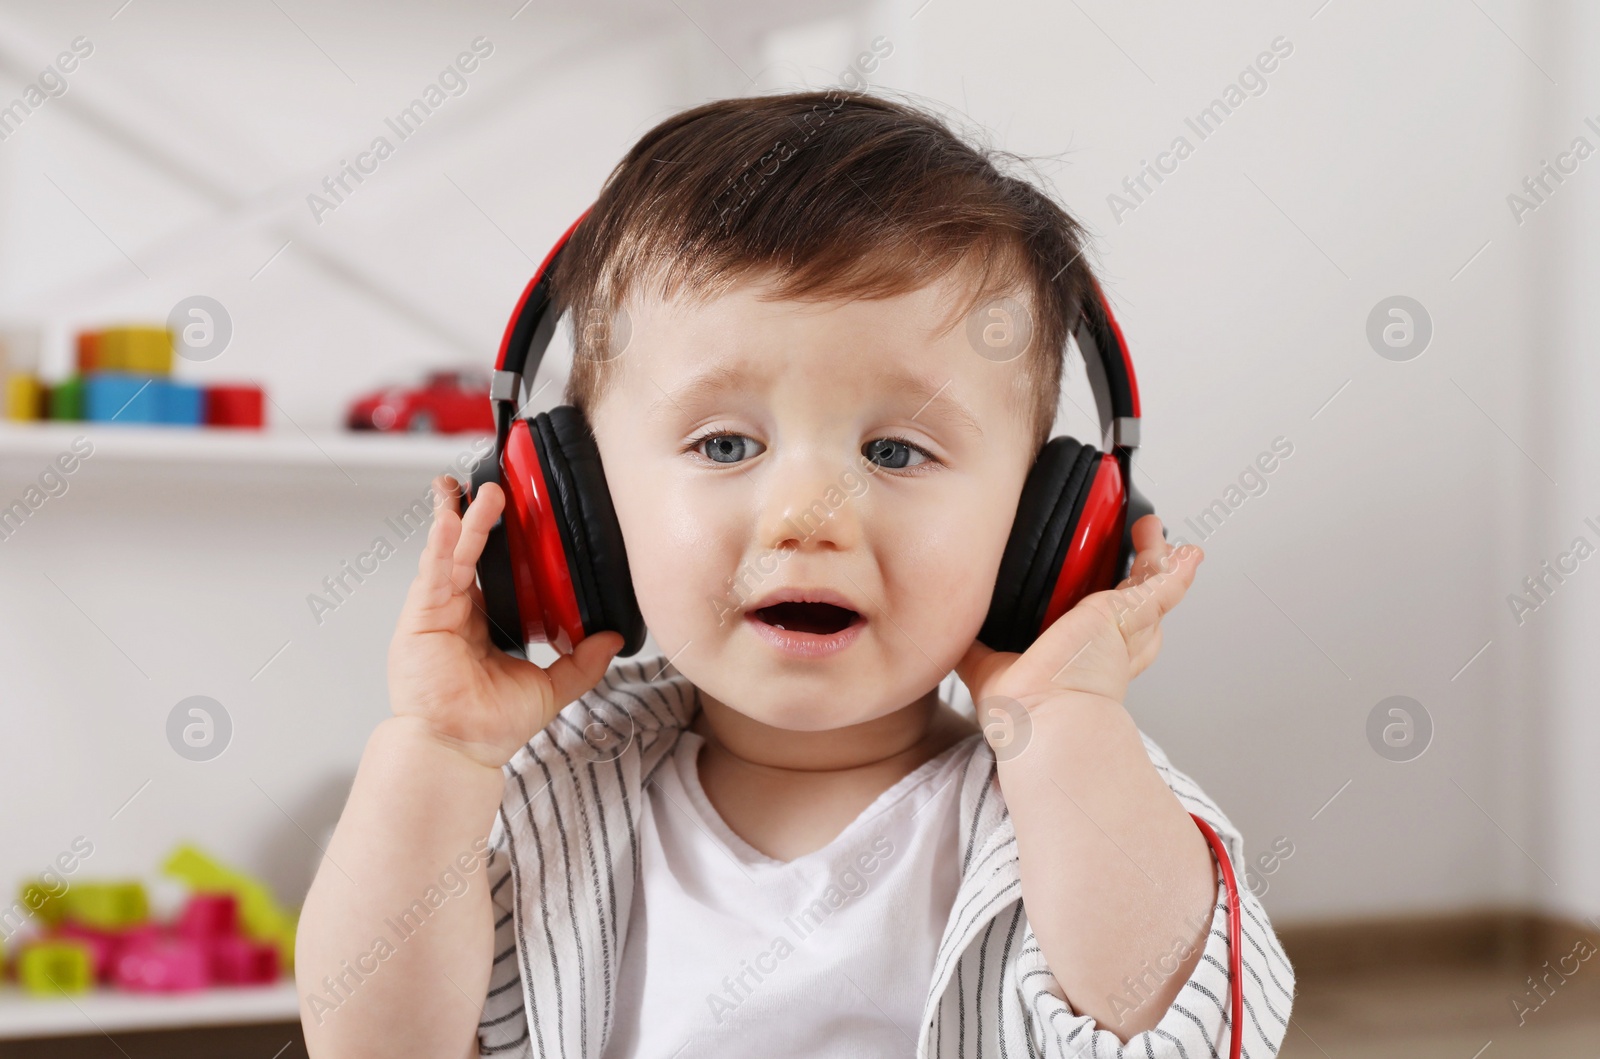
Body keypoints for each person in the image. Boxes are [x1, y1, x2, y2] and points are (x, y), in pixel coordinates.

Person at [295, 89, 1295, 1059]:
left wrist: (1067, 718)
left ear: (1049, 526)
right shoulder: (537, 790)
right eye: (725, 445)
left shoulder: (1065, 778)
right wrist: (437, 750)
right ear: (579, 504)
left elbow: (1183, 1031)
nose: (807, 517)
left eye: (896, 452)